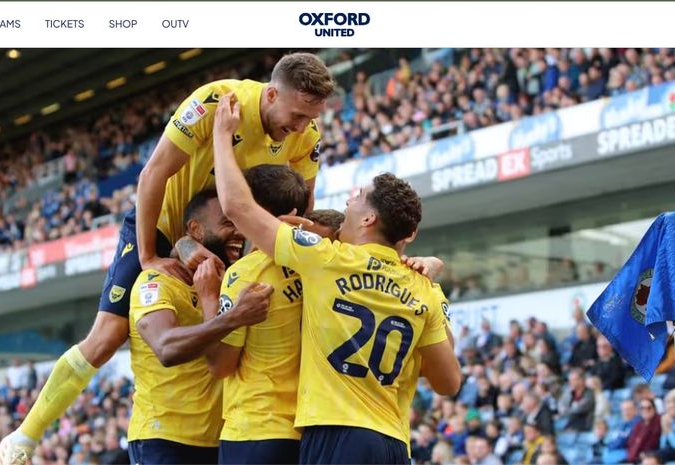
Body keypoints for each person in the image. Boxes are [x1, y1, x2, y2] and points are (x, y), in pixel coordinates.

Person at [0, 52, 335, 465]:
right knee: (106, 337)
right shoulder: (216, 102)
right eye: (297, 114)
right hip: (164, 223)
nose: (301, 126)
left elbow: (301, 202)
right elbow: (152, 173)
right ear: (270, 95)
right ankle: (24, 436)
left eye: (310, 118)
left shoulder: (307, 133)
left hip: (223, 235)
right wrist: (150, 254)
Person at [211, 94, 460, 464]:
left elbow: (237, 208)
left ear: (368, 220)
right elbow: (448, 383)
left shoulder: (326, 260)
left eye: (358, 196)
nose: (349, 199)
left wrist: (221, 136)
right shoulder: (423, 285)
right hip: (394, 444)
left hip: (335, 435)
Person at [126, 188, 274, 465]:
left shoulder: (234, 278)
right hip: (164, 439)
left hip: (223, 438)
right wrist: (233, 317)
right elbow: (166, 347)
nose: (239, 232)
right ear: (195, 229)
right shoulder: (157, 282)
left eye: (239, 222)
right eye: (228, 223)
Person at [203, 165, 327, 464]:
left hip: (254, 429)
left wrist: (209, 298)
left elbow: (220, 365)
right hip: (309, 430)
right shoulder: (324, 262)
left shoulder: (244, 274)